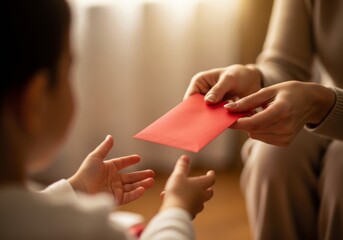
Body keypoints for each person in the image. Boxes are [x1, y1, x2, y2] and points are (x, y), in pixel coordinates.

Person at [0, 0, 216, 239]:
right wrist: (176, 210)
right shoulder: (85, 229)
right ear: (36, 102)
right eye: (68, 70)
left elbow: (23, 211)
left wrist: (77, 189)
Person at [183, 0, 343, 239]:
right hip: (326, 105)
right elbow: (285, 64)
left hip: (328, 106)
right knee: (273, 156)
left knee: (339, 169)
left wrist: (322, 103)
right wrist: (255, 77)